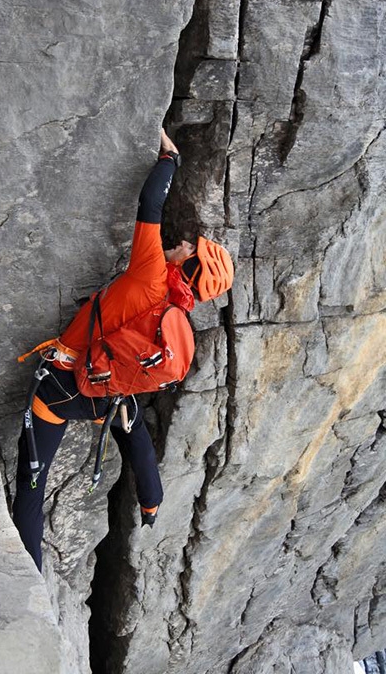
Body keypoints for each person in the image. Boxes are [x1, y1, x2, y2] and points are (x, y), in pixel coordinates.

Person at [12, 128, 234, 571]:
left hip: (59, 388)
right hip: (102, 394)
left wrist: (169, 159)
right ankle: (151, 501)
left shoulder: (151, 270)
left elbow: (150, 205)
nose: (185, 242)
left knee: (30, 493)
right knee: (131, 428)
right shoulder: (172, 314)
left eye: (192, 248)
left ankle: (29, 578)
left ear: (187, 263)